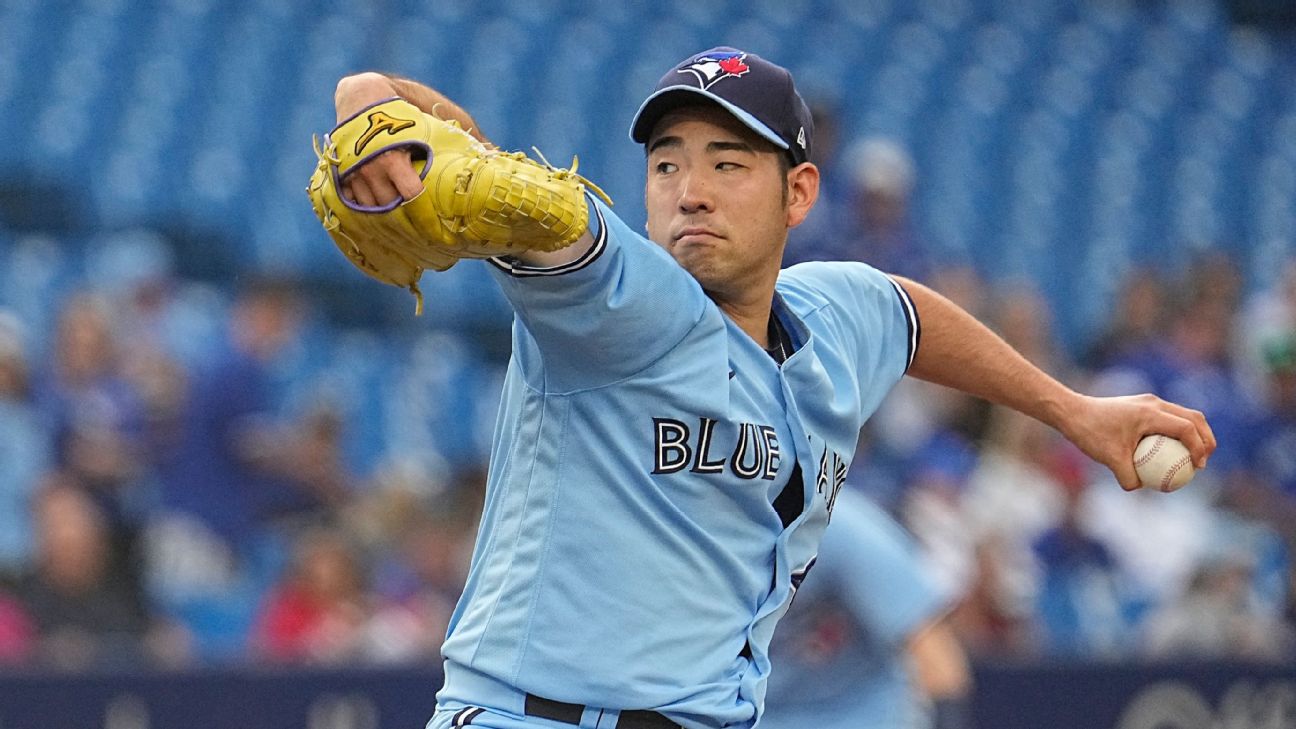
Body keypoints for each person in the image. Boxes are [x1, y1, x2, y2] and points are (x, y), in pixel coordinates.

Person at [328, 46, 1214, 729]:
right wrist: (372, 102)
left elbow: (905, 315)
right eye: (667, 164)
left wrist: (1074, 410)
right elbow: (520, 198)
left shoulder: (837, 314)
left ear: (799, 193)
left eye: (727, 163)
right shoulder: (616, 299)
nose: (690, 192)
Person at [760, 488, 971, 729]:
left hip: (860, 715)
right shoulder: (714, 537)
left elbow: (936, 658)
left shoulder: (836, 525)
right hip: (756, 716)